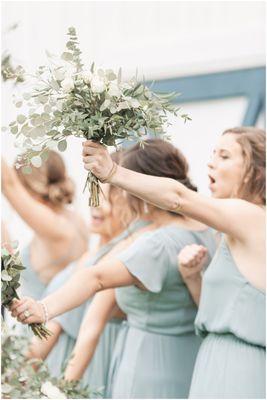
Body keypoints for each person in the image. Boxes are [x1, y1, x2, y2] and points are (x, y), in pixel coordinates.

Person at [11, 139, 216, 398]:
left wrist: (43, 308)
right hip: (190, 363)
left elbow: (95, 278)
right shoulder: (207, 228)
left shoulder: (153, 243)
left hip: (146, 369)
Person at [79, 126, 265, 399]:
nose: (211, 162)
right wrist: (192, 277)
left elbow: (179, 198)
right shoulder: (232, 228)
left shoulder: (250, 217)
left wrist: (114, 173)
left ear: (253, 171)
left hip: (238, 368)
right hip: (214, 361)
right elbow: (222, 311)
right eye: (213, 153)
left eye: (224, 156)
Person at [2, 151, 88, 299]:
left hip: (45, 320)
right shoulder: (73, 219)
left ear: (31, 187)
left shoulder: (57, 228)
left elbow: (8, 184)